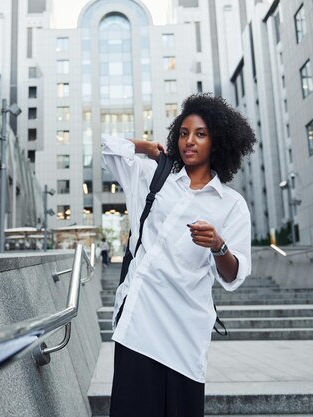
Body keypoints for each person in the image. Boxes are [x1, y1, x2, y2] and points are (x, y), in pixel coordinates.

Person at [102, 93, 257, 417]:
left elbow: (234, 274)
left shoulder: (230, 205)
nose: (189, 141)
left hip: (184, 335)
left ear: (218, 142)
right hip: (138, 324)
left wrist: (218, 245)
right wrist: (148, 148)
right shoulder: (153, 178)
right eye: (184, 133)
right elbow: (109, 147)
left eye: (200, 134)